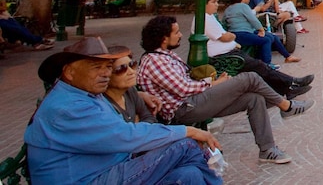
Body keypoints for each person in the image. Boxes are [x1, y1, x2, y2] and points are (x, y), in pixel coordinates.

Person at [27, 36, 221, 184]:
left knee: (189, 174)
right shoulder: (68, 107)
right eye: (96, 67)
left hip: (109, 170)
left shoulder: (84, 94)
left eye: (108, 67)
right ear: (69, 72)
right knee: (185, 145)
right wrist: (190, 130)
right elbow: (125, 136)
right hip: (86, 179)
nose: (105, 74)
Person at [137, 16, 314, 164]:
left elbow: (185, 82)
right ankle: (286, 106)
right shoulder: (154, 60)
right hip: (183, 108)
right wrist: (214, 84)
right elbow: (183, 89)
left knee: (253, 98)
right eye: (176, 32)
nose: (180, 35)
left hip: (194, 101)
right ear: (163, 38)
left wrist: (212, 82)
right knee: (250, 78)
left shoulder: (166, 56)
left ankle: (267, 150)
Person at [195, 0, 314, 99]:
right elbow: (225, 36)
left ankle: (289, 85)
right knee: (261, 63)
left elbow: (226, 29)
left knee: (262, 62)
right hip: (226, 56)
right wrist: (234, 36)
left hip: (232, 49)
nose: (217, 5)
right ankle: (291, 83)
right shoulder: (204, 19)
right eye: (214, 2)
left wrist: (230, 35)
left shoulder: (217, 14)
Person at [225, 0, 301, 65]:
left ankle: (287, 57)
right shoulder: (243, 6)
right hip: (242, 34)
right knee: (266, 40)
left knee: (272, 37)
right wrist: (261, 30)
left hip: (239, 33)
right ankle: (267, 64)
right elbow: (253, 20)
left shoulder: (228, 9)